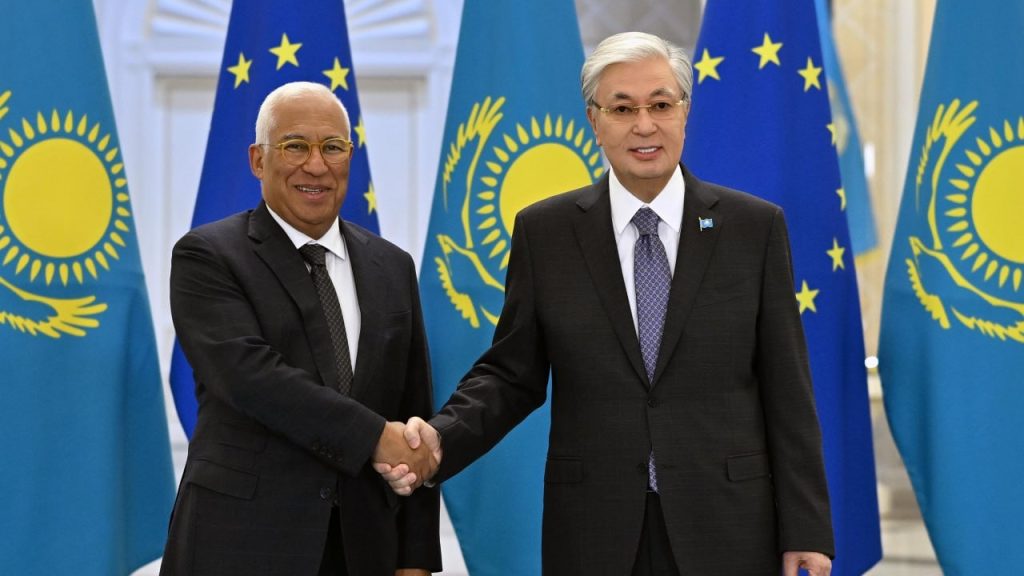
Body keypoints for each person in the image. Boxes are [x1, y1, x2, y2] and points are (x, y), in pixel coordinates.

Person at [377, 32, 834, 575]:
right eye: (622, 109)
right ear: (594, 122)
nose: (644, 125)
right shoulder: (545, 233)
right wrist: (439, 440)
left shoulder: (753, 228)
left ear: (685, 112)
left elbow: (788, 389)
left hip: (728, 524)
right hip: (594, 529)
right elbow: (511, 375)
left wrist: (806, 529)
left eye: (660, 105)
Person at [161, 81, 440, 576]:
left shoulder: (393, 266)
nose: (316, 165)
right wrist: (375, 436)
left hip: (364, 548)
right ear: (257, 160)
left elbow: (414, 408)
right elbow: (250, 377)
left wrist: (415, 558)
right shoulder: (208, 256)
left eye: (333, 147)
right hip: (240, 544)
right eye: (295, 146)